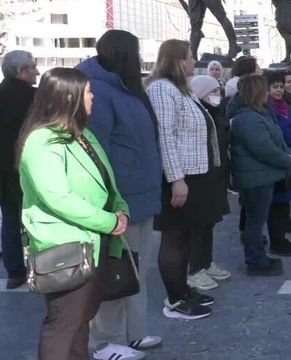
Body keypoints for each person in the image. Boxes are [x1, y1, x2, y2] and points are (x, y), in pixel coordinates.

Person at [18, 68, 130, 360]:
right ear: (69, 96)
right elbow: (58, 198)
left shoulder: (82, 134)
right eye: (88, 91)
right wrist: (109, 221)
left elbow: (107, 179)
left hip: (96, 239)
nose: (93, 97)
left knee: (82, 319)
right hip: (67, 247)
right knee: (64, 324)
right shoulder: (42, 141)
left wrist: (120, 208)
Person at [76, 31, 164, 358]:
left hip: (141, 195)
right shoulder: (97, 91)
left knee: (137, 271)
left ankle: (134, 334)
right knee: (114, 273)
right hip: (118, 200)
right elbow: (96, 149)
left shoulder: (128, 89)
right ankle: (104, 342)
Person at [146, 40, 218, 320]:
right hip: (180, 176)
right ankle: (175, 300)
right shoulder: (162, 89)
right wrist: (176, 179)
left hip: (194, 173)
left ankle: (183, 289)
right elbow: (166, 136)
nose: (194, 61)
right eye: (190, 57)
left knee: (187, 235)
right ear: (178, 60)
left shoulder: (181, 89)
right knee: (175, 237)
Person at [229, 75, 291, 276]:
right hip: (256, 178)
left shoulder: (257, 113)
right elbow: (262, 148)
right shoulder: (247, 118)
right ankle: (255, 260)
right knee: (255, 221)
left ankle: (258, 256)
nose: (268, 93)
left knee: (256, 220)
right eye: (265, 90)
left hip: (260, 175)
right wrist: (285, 159)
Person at [186, 75, 231, 291]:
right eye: (212, 92)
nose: (217, 96)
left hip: (216, 172)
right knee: (198, 224)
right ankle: (195, 269)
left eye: (218, 91)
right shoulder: (197, 113)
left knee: (210, 221)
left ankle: (206, 261)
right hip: (201, 174)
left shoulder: (215, 112)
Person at [0, 50, 38, 291]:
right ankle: (40, 268)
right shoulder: (35, 98)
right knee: (36, 218)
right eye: (33, 67)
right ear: (21, 71)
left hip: (3, 171)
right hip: (30, 166)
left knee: (11, 220)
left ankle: (15, 271)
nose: (37, 71)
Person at [266, 70, 291, 256]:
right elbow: (285, 132)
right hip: (280, 161)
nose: (279, 90)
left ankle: (281, 238)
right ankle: (277, 241)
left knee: (284, 204)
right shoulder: (269, 108)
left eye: (281, 87)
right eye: (275, 87)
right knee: (277, 205)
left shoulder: (284, 105)